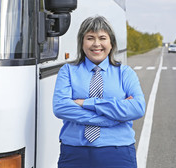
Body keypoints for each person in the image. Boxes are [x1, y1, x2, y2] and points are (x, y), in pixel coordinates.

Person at [53, 16, 146, 168]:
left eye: (102, 38)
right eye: (90, 38)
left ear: (111, 43)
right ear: (82, 43)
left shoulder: (125, 73)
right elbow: (61, 108)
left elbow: (137, 108)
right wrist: (112, 118)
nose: (96, 44)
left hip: (118, 152)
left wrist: (86, 103)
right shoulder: (68, 71)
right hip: (75, 153)